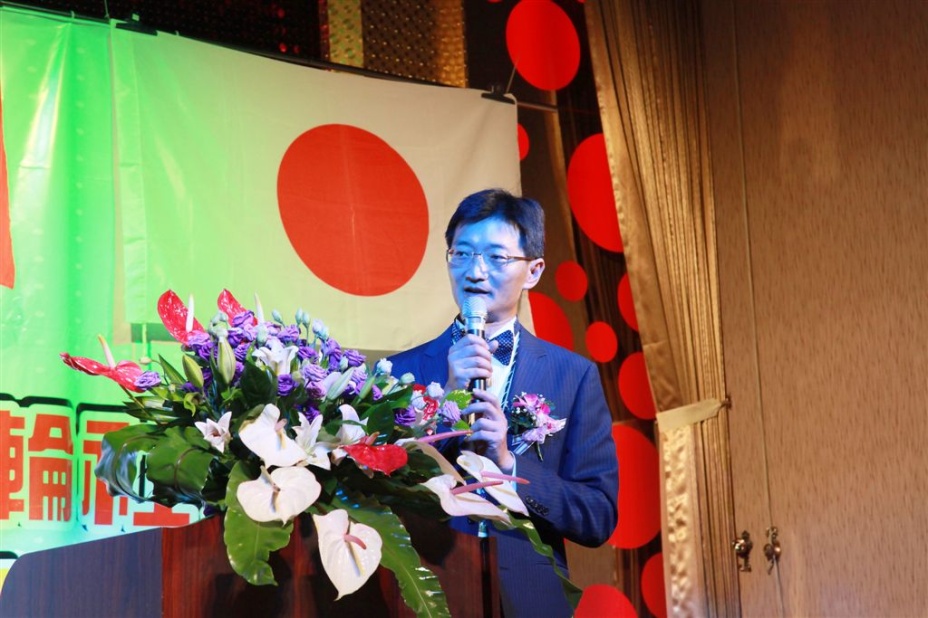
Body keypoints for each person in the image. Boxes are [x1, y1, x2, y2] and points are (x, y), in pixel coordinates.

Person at [389, 188, 619, 617]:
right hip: (428, 592)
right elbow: (379, 485)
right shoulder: (398, 372)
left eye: (496, 257)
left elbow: (597, 515)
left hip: (531, 599)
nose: (475, 271)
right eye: (462, 254)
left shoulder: (573, 376)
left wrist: (509, 465)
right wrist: (445, 405)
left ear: (533, 271)